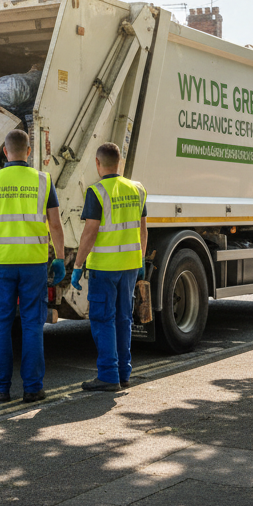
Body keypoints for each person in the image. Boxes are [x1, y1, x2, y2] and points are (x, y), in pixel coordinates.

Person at [0, 129, 66, 403]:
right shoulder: (43, 181)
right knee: (32, 324)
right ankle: (33, 388)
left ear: (4, 151)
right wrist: (59, 257)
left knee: (1, 324)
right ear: (29, 151)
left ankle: (0, 388)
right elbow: (55, 224)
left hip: (2, 264)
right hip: (34, 264)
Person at [71, 142, 147, 392]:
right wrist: (141, 260)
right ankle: (124, 374)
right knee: (124, 319)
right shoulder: (137, 189)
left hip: (104, 267)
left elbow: (90, 232)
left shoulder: (97, 192)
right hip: (130, 265)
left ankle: (107, 375)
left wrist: (78, 265)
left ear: (97, 163)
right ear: (120, 163)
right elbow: (143, 230)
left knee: (103, 319)